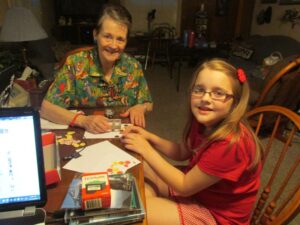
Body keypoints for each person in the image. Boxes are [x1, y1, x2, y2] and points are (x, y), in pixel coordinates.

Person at [121, 59, 262, 225]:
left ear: (235, 102)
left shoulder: (231, 144)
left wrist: (147, 150)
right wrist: (150, 137)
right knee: (140, 173)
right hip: (200, 191)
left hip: (217, 216)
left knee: (133, 210)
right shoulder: (204, 121)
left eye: (218, 93)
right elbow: (182, 152)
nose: (205, 98)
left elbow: (184, 186)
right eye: (199, 90)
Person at [40, 4, 153, 133]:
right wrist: (83, 121)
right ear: (95, 35)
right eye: (108, 37)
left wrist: (141, 107)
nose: (113, 45)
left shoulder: (133, 66)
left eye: (120, 39)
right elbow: (46, 108)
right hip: (82, 134)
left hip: (122, 134)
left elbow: (148, 102)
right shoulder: (75, 63)